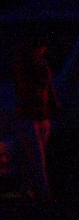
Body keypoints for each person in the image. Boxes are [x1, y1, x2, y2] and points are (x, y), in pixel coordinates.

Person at [10, 37, 56, 199]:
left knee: (34, 154)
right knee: (37, 155)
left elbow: (47, 87)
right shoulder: (24, 66)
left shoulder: (42, 65)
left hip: (41, 114)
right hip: (28, 116)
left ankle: (26, 188)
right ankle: (44, 191)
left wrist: (53, 105)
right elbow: (28, 88)